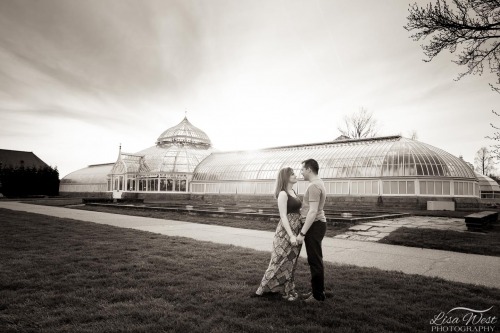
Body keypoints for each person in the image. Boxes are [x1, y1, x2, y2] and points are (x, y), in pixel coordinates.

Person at [255, 167, 303, 301]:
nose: (295, 175)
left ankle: (288, 289)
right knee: (278, 261)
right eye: (292, 174)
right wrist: (291, 235)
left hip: (296, 230)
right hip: (285, 232)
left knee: (291, 262)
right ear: (286, 177)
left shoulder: (293, 191)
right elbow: (283, 216)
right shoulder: (283, 194)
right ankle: (261, 290)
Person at [296, 159, 327, 303]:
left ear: (309, 169)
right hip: (317, 224)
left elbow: (313, 211)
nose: (301, 172)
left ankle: (317, 296)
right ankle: (317, 291)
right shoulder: (318, 183)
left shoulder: (314, 186)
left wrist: (302, 233)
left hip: (314, 225)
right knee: (315, 260)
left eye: (302, 169)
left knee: (315, 261)